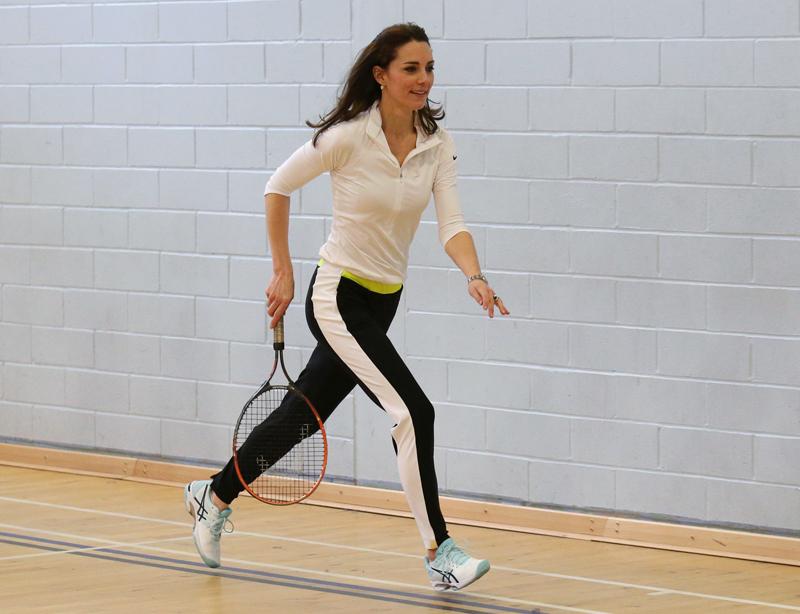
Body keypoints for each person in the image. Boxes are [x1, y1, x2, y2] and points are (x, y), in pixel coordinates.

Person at [183, 22, 510, 592]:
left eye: (429, 68)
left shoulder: (437, 142)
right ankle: (440, 551)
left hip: (382, 302)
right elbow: (276, 186)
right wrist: (282, 269)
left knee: (301, 418)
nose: (424, 79)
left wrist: (474, 275)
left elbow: (452, 224)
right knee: (413, 412)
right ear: (380, 76)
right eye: (411, 69)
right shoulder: (347, 137)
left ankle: (212, 495)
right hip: (336, 296)